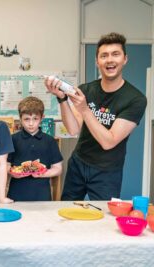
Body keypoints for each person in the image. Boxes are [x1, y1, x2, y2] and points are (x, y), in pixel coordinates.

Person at [44, 32, 147, 200]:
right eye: (104, 55)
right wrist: (62, 98)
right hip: (78, 162)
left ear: (125, 59)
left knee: (104, 217)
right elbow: (72, 129)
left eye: (115, 54)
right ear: (97, 61)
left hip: (107, 171)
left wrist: (85, 109)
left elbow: (108, 141)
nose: (109, 60)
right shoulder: (86, 90)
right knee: (66, 211)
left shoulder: (135, 99)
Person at [7, 96, 63, 201]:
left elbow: (58, 169)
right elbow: (6, 165)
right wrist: (13, 173)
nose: (31, 123)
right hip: (16, 195)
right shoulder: (12, 139)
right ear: (20, 118)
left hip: (42, 195)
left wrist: (42, 173)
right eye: (26, 119)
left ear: (42, 118)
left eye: (35, 119)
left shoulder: (50, 141)